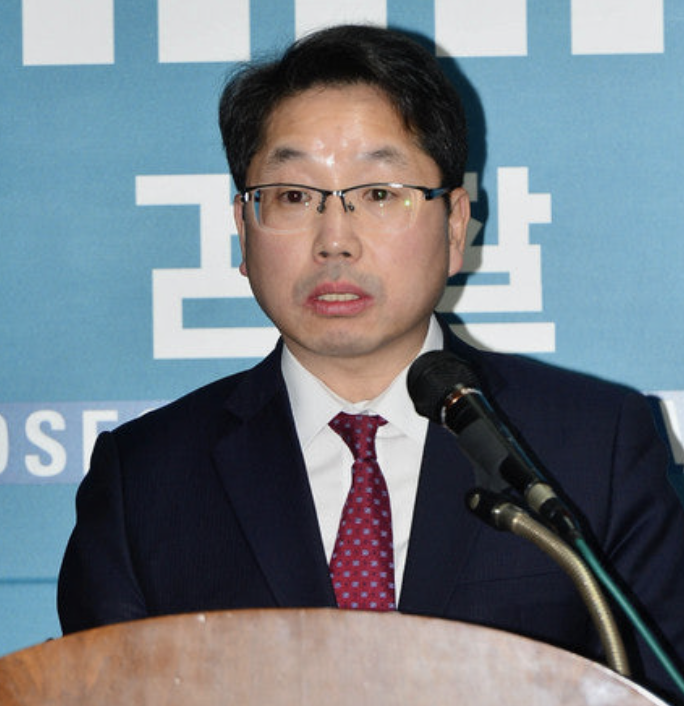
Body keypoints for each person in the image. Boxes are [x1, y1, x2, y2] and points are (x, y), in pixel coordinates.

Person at [57, 24, 684, 704]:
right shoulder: (145, 481)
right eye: (294, 196)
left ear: (455, 225)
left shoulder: (595, 448)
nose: (335, 240)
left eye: (380, 194)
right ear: (242, 230)